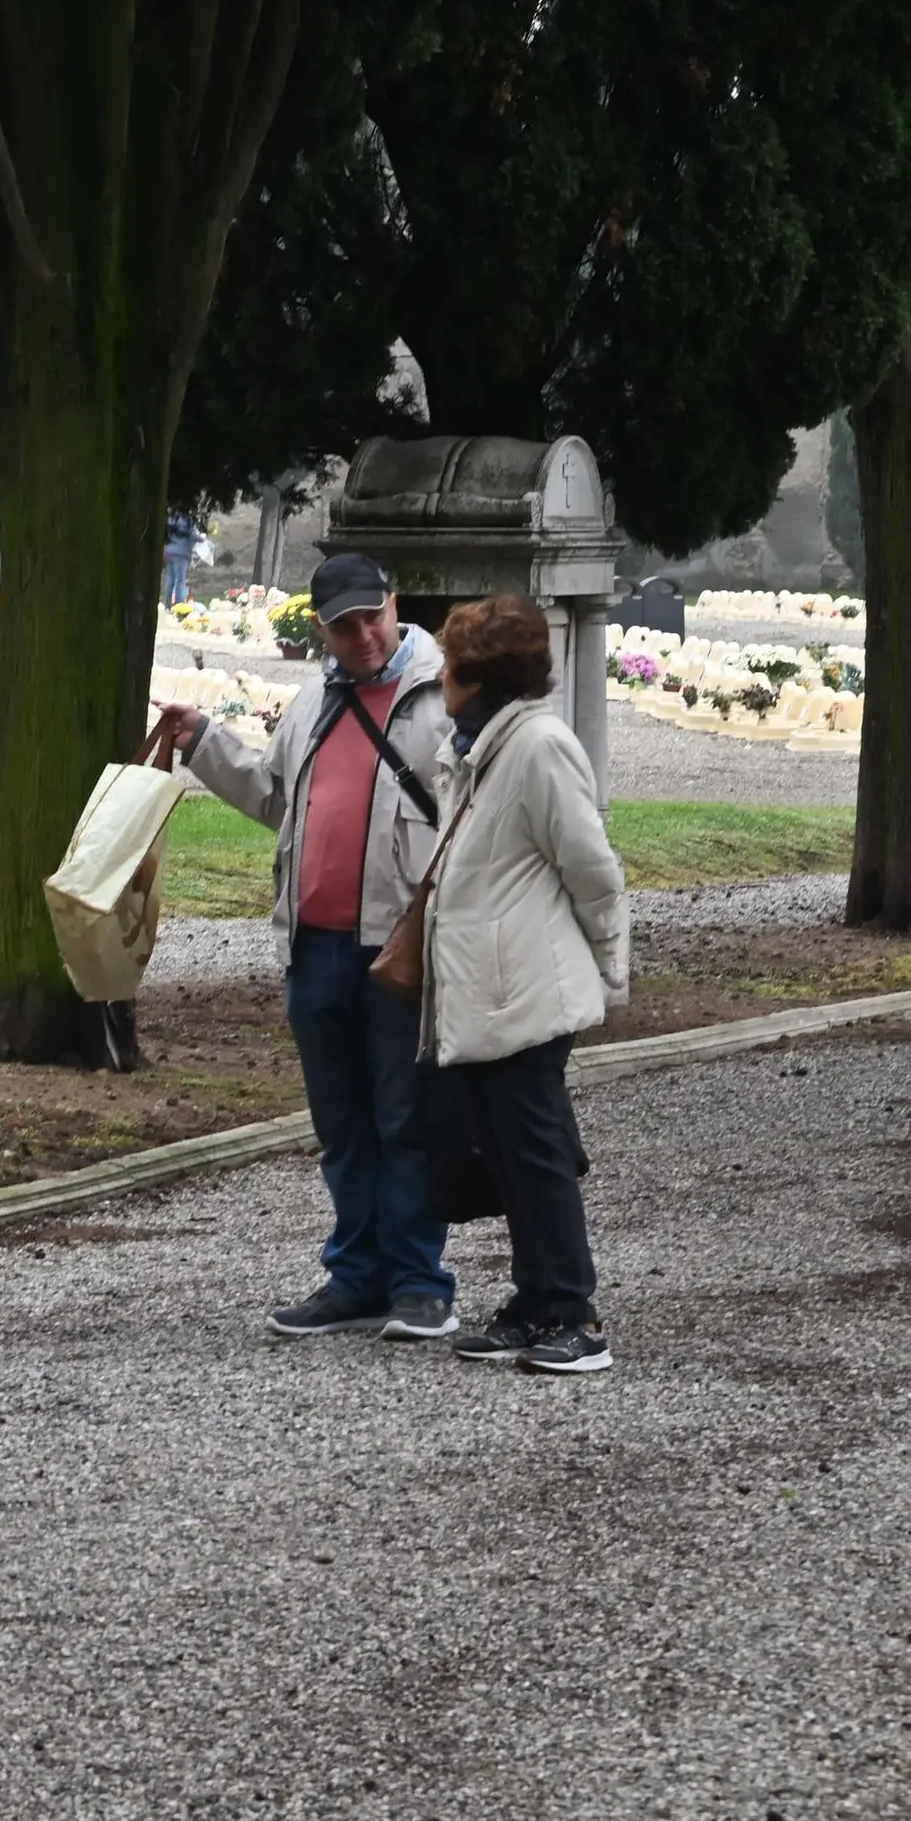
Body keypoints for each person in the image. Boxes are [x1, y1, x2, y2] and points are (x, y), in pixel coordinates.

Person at [155, 552, 456, 1343]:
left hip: (401, 945)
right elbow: (273, 796)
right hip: (316, 943)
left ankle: (421, 1283)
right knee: (343, 1123)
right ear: (322, 629)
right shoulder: (314, 699)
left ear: (396, 602)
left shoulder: (445, 695)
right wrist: (203, 742)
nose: (362, 636)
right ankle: (356, 1277)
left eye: (372, 617)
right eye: (344, 625)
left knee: (404, 1117)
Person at [422, 595, 629, 1375]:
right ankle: (537, 1299)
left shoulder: (539, 747)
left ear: (477, 678)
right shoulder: (481, 745)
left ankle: (573, 1309)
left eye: (449, 666)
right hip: (491, 986)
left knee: (536, 1151)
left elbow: (592, 868)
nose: (440, 677)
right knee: (510, 1151)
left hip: (527, 988)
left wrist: (609, 967)